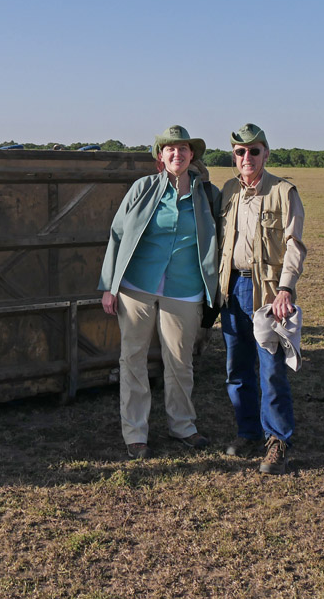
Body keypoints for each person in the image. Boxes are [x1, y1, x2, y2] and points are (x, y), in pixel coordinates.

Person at [98, 125, 219, 459]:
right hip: (137, 286)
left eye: (182, 149)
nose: (176, 154)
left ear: (192, 155)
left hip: (185, 288)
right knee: (133, 358)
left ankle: (183, 426)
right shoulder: (143, 188)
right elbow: (118, 234)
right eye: (169, 149)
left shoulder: (207, 194)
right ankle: (135, 432)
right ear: (160, 157)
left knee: (180, 361)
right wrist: (110, 286)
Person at [218, 123, 307, 475]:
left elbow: (294, 245)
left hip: (268, 293)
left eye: (254, 150)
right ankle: (248, 432)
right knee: (236, 368)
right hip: (231, 289)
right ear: (234, 156)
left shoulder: (284, 191)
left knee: (271, 371)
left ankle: (277, 440)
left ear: (266, 153)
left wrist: (285, 289)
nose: (247, 157)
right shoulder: (227, 191)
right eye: (240, 151)